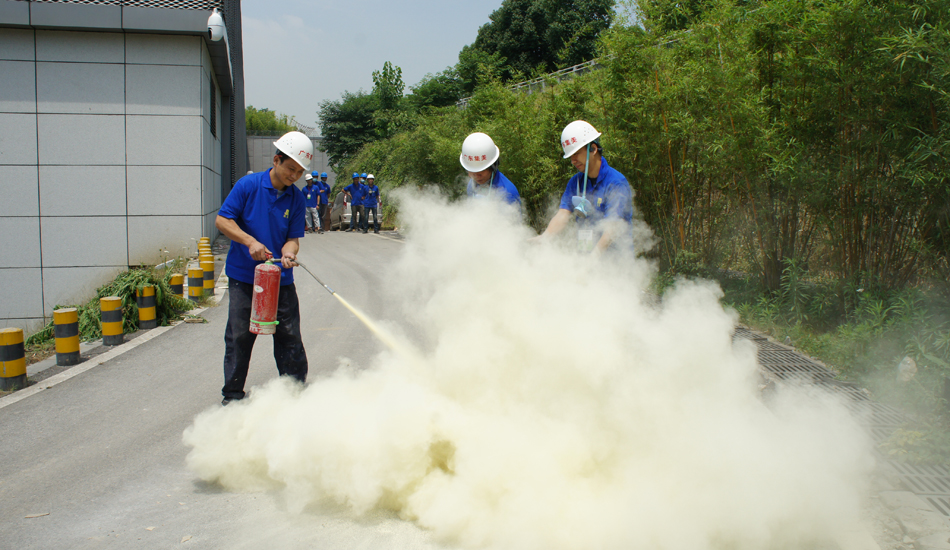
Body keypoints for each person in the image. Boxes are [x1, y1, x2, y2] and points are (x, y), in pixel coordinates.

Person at [215, 130, 312, 405]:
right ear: (276, 160)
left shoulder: (296, 198)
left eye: (299, 171)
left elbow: (292, 239)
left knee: (289, 335)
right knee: (240, 336)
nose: (293, 175)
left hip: (281, 279)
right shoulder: (248, 186)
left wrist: (288, 253)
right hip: (245, 277)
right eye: (290, 168)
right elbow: (223, 221)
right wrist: (249, 241)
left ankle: (294, 393)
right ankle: (232, 396)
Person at [534, 120, 633, 254]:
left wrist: (594, 257)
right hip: (586, 255)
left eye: (576, 153)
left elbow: (613, 227)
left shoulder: (616, 183)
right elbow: (563, 213)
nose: (573, 160)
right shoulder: (576, 182)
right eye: (570, 156)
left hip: (615, 264)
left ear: (593, 149)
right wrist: (545, 237)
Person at [460, 132, 521, 209]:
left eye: (480, 173)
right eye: (471, 172)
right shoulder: (472, 184)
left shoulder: (507, 194)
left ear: (493, 166)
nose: (475, 177)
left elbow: (511, 220)